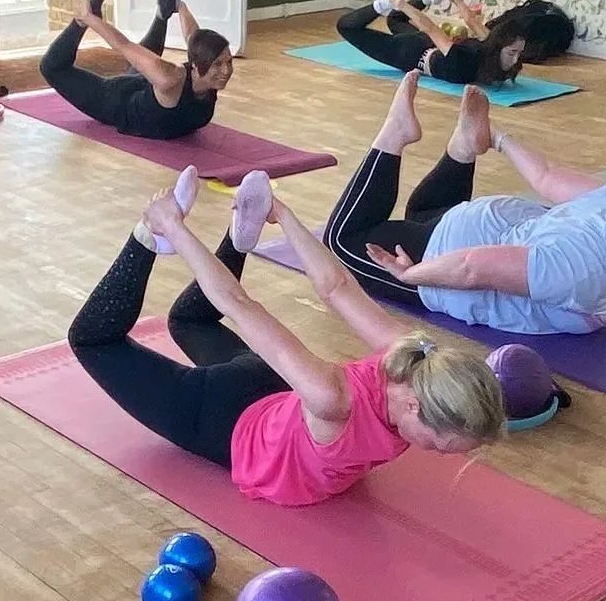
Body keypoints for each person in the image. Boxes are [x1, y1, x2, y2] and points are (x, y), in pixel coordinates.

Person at [66, 164, 509, 508]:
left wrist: (282, 214)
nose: (437, 454)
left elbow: (338, 287)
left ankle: (239, 239)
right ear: (414, 405)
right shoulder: (332, 399)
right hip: (218, 417)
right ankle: (149, 233)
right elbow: (238, 305)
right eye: (440, 445)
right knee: (91, 340)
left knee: (189, 322)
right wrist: (174, 227)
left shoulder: (413, 357)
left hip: (272, 391)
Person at [324, 74, 606, 333]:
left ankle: (464, 148)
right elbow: (470, 269)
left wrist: (498, 139)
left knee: (422, 213)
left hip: (486, 219)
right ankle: (394, 135)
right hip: (451, 253)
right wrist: (411, 275)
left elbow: (544, 175)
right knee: (338, 244)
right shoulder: (576, 271)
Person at [41, 0, 234, 140]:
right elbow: (124, 45)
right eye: (218, 64)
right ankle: (79, 22)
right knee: (51, 68)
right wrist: (88, 19)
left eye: (229, 62)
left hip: (146, 89)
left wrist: (181, 7)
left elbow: (194, 38)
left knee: (147, 63)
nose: (226, 70)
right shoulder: (170, 78)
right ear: (196, 64)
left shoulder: (208, 76)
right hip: (117, 100)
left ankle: (163, 11)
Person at [335, 0, 531, 87]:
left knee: (395, 19)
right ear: (499, 46)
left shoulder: (494, 49)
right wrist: (402, 3)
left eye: (519, 53)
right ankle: (388, 1)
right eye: (512, 52)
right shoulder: (467, 61)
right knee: (346, 27)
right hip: (410, 53)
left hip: (424, 46)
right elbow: (432, 29)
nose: (516, 59)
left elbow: (472, 21)